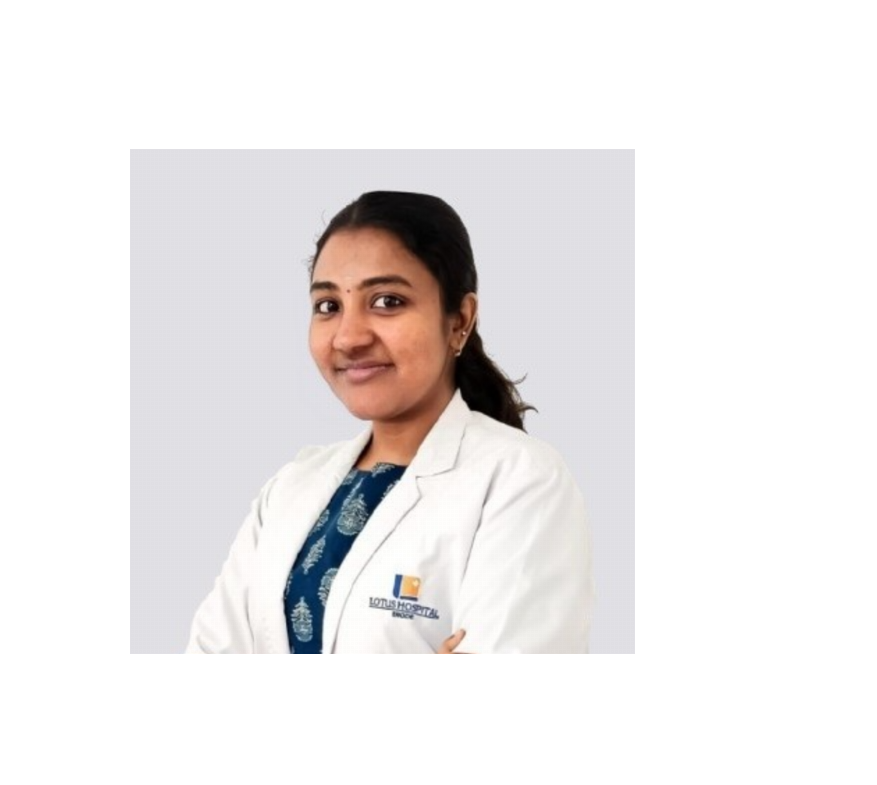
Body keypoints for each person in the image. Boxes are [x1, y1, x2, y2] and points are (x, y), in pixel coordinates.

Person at [187, 190, 593, 655]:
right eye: (328, 305)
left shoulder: (520, 480)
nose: (349, 337)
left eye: (387, 301)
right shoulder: (289, 488)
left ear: (459, 320)